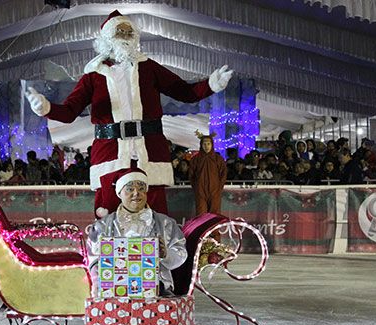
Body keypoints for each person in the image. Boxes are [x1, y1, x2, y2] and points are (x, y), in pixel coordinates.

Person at [26, 10, 234, 218]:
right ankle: (107, 250)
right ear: (107, 38)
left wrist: (211, 84)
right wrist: (46, 108)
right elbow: (70, 111)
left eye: (129, 32)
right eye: (120, 31)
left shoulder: (149, 68)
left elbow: (184, 92)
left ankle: (156, 249)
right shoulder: (93, 75)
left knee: (154, 212)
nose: (125, 36)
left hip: (149, 150)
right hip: (110, 153)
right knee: (108, 211)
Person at [87, 168, 187, 297]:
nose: (136, 193)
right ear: (119, 193)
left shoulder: (165, 223)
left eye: (141, 189)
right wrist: (99, 285)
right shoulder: (102, 226)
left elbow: (181, 253)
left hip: (158, 290)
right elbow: (94, 260)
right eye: (129, 189)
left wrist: (165, 254)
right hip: (114, 291)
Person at [188, 134, 227, 216]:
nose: (206, 146)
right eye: (204, 144)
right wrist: (196, 189)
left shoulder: (218, 159)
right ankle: (202, 229)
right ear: (201, 145)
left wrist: (219, 189)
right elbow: (191, 175)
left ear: (212, 145)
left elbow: (223, 174)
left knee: (214, 215)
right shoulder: (195, 159)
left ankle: (214, 229)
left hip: (215, 191)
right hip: (200, 191)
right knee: (201, 215)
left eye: (208, 144)